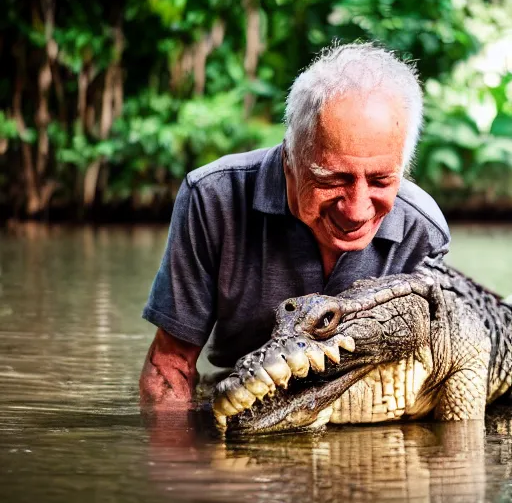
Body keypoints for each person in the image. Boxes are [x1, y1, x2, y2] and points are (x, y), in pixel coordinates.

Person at [139, 42, 450, 411]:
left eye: (381, 181)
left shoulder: (422, 229)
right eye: (332, 179)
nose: (356, 210)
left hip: (361, 410)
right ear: (290, 158)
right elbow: (170, 365)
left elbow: (437, 372)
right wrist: (178, 462)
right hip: (243, 400)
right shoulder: (213, 198)